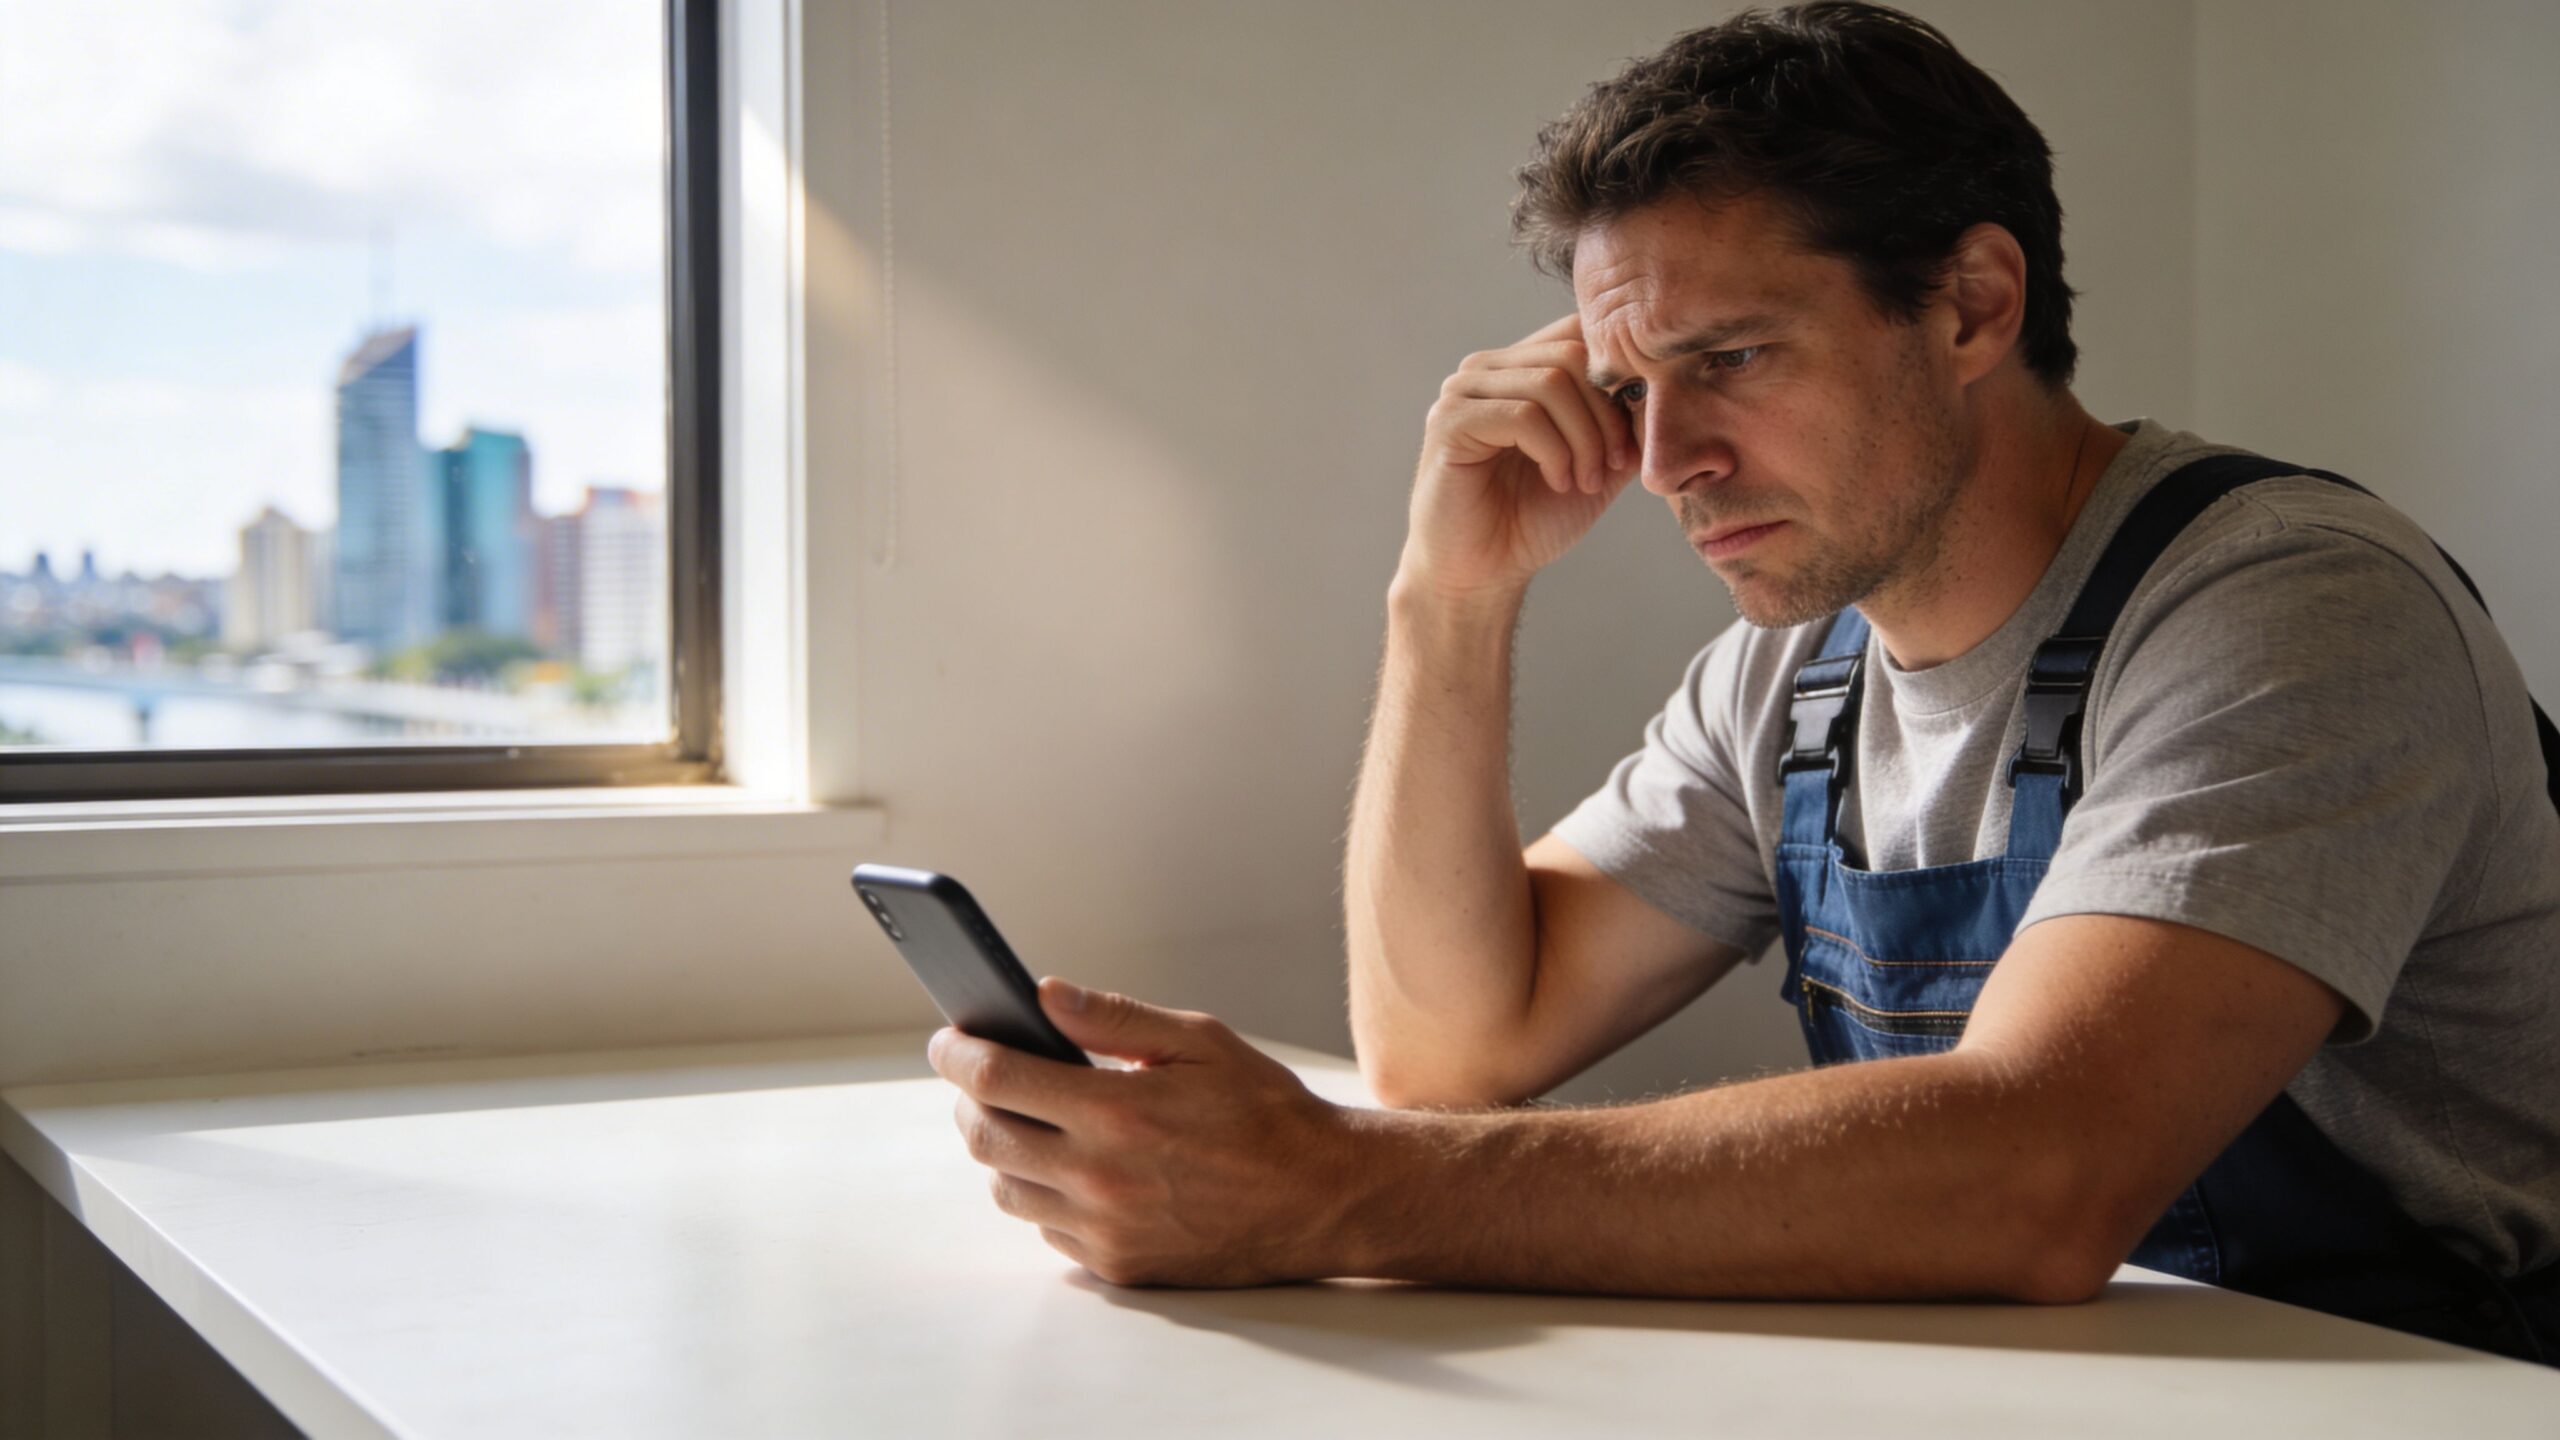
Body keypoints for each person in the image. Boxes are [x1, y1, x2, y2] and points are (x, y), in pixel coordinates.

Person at [925, 1, 2560, 1361]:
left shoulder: (2288, 608)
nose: (1664, 462)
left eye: (1731, 359)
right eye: (1629, 384)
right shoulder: (1793, 675)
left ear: (1974, 304)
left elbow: (2040, 1173)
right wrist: (1451, 598)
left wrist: (1337, 1189)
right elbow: (1455, 1046)